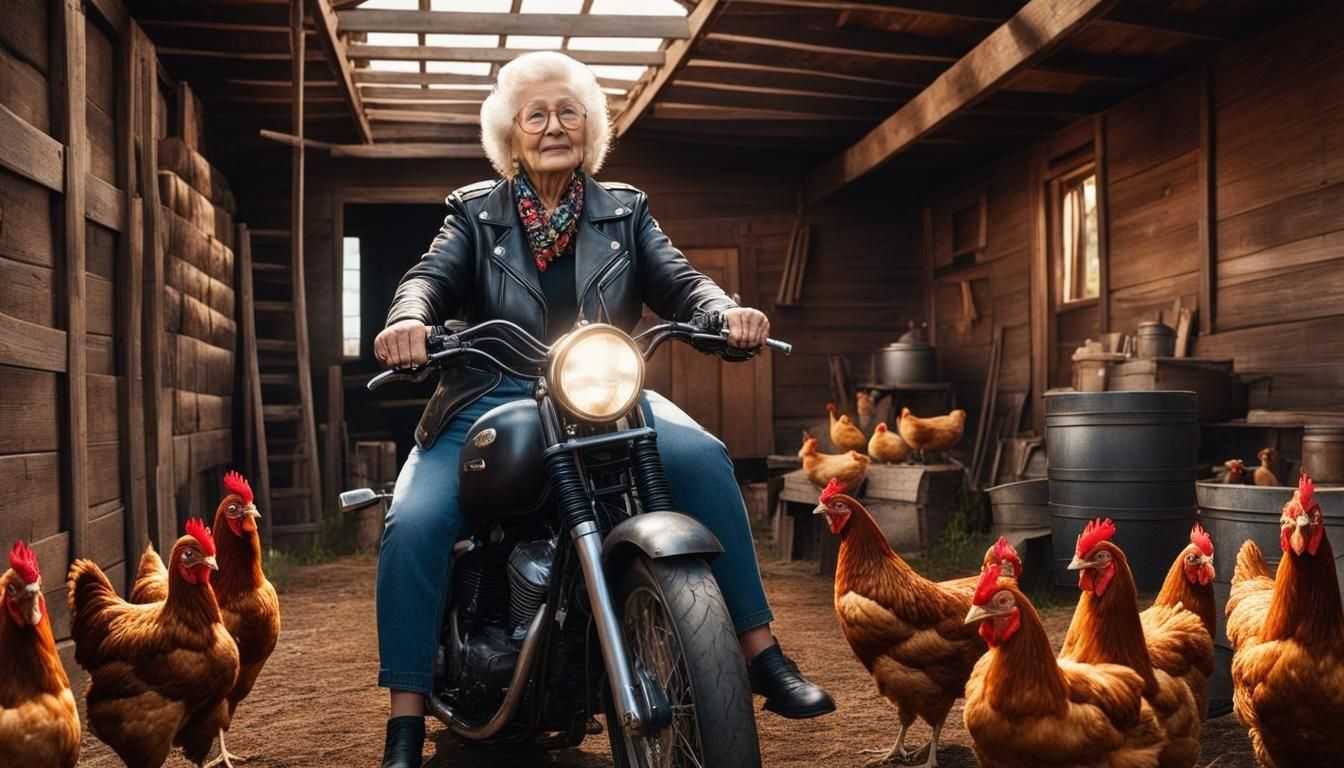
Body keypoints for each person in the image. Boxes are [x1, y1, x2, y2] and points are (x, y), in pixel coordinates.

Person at [373, 50, 835, 768]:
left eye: (569, 111)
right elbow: (427, 277)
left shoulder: (625, 209)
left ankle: (759, 651)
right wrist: (409, 319)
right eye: (536, 115)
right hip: (491, 392)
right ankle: (404, 716)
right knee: (415, 521)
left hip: (600, 391)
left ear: (591, 127)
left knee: (703, 457)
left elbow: (681, 281)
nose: (554, 125)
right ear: (510, 135)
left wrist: (723, 311)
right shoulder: (474, 212)